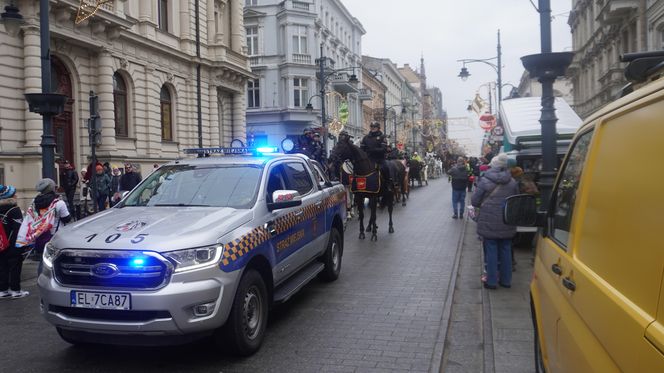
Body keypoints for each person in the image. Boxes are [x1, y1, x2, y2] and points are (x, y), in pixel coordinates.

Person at [471, 153, 519, 289]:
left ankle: (491, 281)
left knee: (491, 250)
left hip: (488, 221)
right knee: (506, 249)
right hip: (506, 220)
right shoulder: (512, 182)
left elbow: (475, 201)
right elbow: (516, 200)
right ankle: (506, 280)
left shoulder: (485, 180)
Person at [16, 179, 72, 273]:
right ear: (52, 188)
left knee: (43, 260)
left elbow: (33, 217)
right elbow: (67, 218)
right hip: (55, 235)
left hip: (40, 235)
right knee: (55, 261)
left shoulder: (34, 202)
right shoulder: (59, 203)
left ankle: (41, 278)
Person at [0, 184, 26, 299]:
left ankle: (3, 290)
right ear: (10, 196)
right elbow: (18, 229)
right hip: (13, 243)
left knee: (2, 266)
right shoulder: (15, 210)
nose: (16, 195)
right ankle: (16, 290)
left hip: (1, 243)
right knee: (15, 266)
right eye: (14, 193)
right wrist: (20, 245)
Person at [360, 122, 391, 186]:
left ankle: (388, 183)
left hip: (379, 159)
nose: (373, 128)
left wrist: (373, 150)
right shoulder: (365, 138)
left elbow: (384, 149)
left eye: (374, 127)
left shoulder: (382, 137)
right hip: (368, 159)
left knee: (386, 168)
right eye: (371, 127)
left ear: (378, 128)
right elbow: (362, 148)